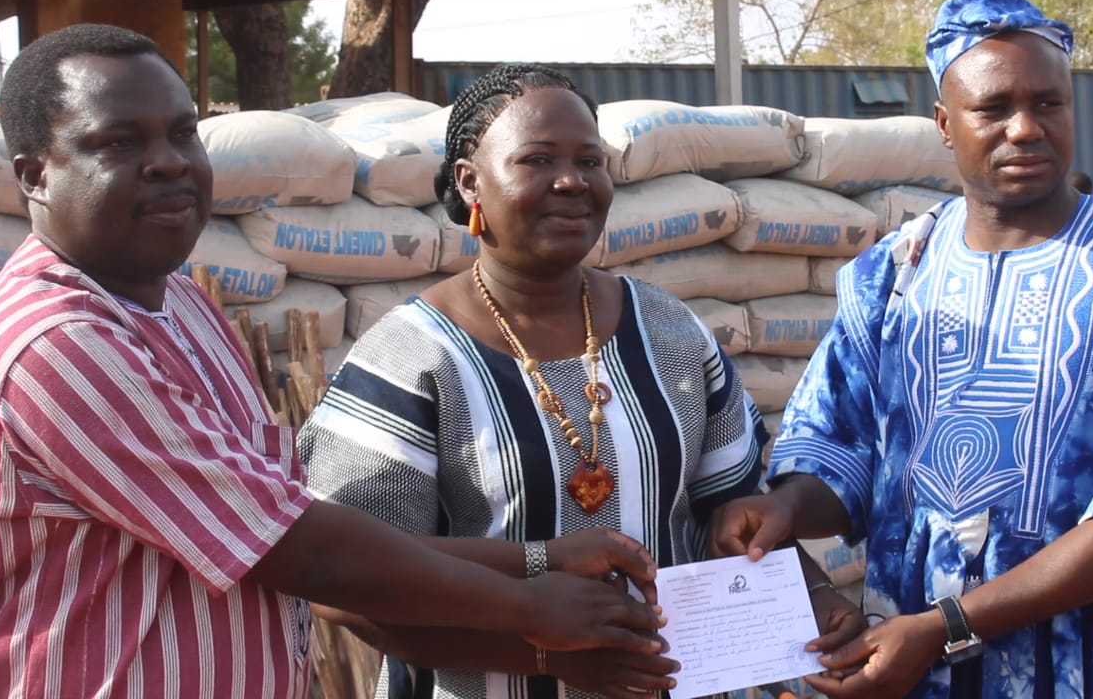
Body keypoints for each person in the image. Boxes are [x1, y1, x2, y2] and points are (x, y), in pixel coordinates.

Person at [0, 24, 671, 699]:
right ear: (35, 177)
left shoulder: (182, 307)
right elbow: (308, 552)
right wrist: (532, 611)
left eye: (184, 132)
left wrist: (542, 558)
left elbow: (283, 514)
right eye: (119, 142)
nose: (169, 161)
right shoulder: (60, 346)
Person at [711, 0, 1093, 698]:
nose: (1025, 128)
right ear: (945, 124)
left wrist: (946, 624)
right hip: (923, 669)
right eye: (993, 108)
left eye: (1048, 103)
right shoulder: (891, 275)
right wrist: (786, 509)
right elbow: (840, 455)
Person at [297, 63, 863, 699]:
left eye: (590, 161)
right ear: (470, 181)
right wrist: (543, 659)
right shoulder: (407, 360)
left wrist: (813, 597)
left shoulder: (670, 332)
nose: (572, 181)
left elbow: (731, 516)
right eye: (537, 160)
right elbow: (346, 590)